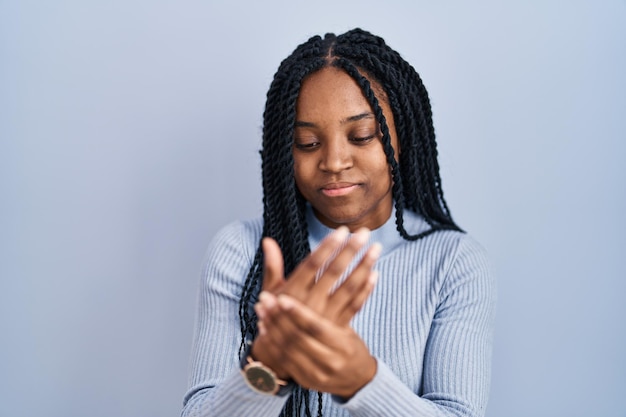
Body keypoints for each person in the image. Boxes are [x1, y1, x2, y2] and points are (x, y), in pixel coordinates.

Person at [181, 28, 496, 417]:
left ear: (403, 138)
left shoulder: (454, 263)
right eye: (308, 144)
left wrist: (361, 381)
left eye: (361, 136)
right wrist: (268, 369)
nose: (333, 161)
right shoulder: (242, 252)